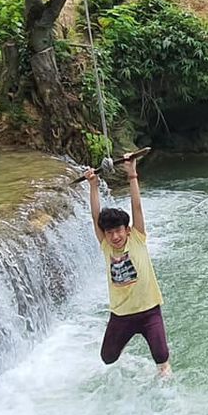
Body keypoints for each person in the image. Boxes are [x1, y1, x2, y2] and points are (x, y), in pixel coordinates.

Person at [82, 152, 170, 380]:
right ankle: (125, 340)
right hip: (121, 315)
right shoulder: (107, 247)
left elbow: (137, 208)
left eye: (118, 231)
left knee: (162, 358)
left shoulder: (137, 239)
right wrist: (93, 185)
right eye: (109, 233)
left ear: (127, 230)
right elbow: (95, 218)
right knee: (108, 358)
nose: (115, 237)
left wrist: (132, 174)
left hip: (150, 310)